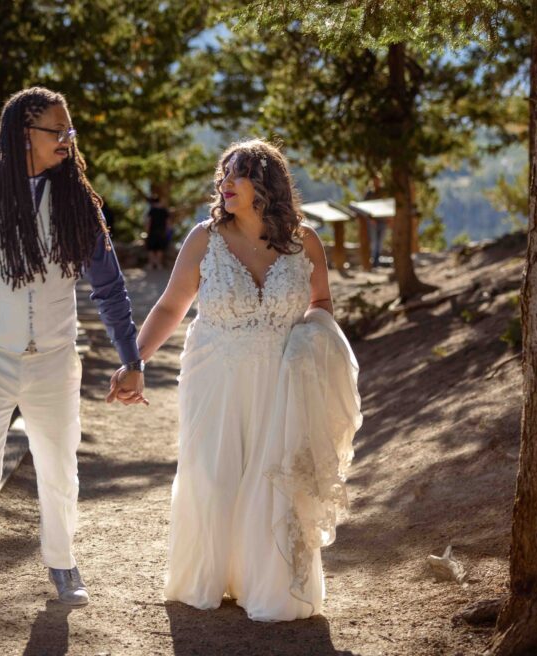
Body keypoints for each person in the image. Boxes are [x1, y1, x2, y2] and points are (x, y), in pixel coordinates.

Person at [0, 87, 146, 642]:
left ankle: (63, 562)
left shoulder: (79, 201)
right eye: (57, 132)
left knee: (59, 468)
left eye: (70, 131)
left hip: (54, 359)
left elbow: (109, 288)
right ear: (25, 135)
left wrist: (131, 359)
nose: (69, 140)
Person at [111, 139, 362, 621]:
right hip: (215, 372)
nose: (225, 185)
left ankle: (267, 587)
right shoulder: (205, 239)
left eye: (238, 175)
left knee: (274, 481)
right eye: (223, 176)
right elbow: (170, 306)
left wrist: (312, 341)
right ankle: (209, 576)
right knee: (212, 473)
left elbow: (322, 303)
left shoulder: (305, 242)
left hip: (282, 378)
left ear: (265, 184)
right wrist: (134, 361)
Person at [364, 173, 389, 268]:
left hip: (383, 220)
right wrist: (370, 219)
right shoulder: (369, 193)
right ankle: (374, 260)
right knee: (374, 241)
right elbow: (364, 207)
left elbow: (387, 206)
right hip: (372, 221)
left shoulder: (384, 192)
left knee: (380, 241)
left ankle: (377, 260)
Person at [144, 195, 171, 270]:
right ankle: (159, 264)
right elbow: (168, 223)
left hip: (152, 232)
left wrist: (147, 231)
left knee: (151, 248)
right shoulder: (164, 211)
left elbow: (149, 222)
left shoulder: (152, 210)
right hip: (162, 232)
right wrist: (167, 231)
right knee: (160, 249)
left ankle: (151, 264)